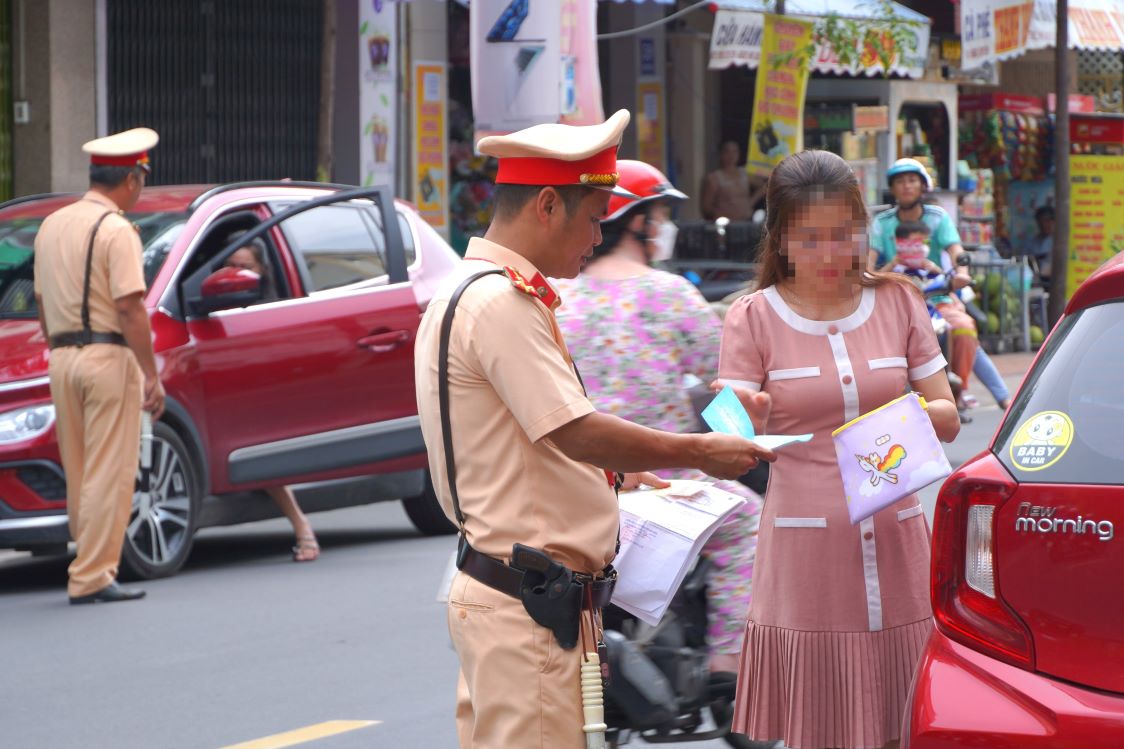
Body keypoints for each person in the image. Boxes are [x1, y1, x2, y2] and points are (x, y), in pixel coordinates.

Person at [414, 110, 777, 749]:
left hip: (526, 597)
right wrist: (700, 451)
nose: (595, 237)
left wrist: (626, 472)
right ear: (549, 205)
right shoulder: (501, 303)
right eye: (592, 218)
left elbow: (525, 444)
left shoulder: (476, 291)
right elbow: (574, 431)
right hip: (527, 605)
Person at [720, 150, 960, 749]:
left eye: (844, 234)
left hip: (898, 542)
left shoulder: (900, 301)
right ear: (779, 240)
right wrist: (744, 420)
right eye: (810, 239)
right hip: (808, 562)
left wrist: (907, 421)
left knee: (905, 726)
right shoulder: (752, 318)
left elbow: (949, 415)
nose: (830, 254)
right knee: (820, 730)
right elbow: (728, 434)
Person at [554, 160, 763, 673]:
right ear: (640, 223)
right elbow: (724, 383)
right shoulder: (669, 295)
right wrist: (748, 432)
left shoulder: (558, 301)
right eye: (663, 215)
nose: (667, 227)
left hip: (576, 488)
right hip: (665, 482)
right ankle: (728, 664)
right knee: (748, 522)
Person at [33, 127, 165, 604]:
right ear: (131, 179)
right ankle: (91, 575)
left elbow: (44, 306)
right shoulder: (115, 230)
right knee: (109, 469)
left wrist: (60, 350)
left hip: (62, 357)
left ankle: (84, 561)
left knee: (81, 469)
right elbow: (130, 308)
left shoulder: (52, 226)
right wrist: (151, 373)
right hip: (107, 356)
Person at [222, 241, 319, 562]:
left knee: (259, 447)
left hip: (279, 403)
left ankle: (302, 527)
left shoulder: (268, 309)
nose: (237, 273)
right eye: (231, 265)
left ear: (262, 270)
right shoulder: (217, 303)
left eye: (246, 267)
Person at [869, 158, 981, 408]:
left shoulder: (937, 217)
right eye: (900, 182)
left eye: (912, 180)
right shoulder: (881, 223)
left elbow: (956, 251)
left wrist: (961, 272)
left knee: (964, 327)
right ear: (892, 188)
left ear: (922, 186)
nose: (906, 186)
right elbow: (870, 263)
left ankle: (957, 391)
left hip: (934, 295)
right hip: (893, 299)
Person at [701, 140, 767, 221]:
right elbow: (706, 208)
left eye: (734, 152)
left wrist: (750, 202)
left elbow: (764, 186)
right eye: (727, 152)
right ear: (721, 154)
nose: (731, 156)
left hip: (746, 221)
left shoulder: (744, 173)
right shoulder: (713, 178)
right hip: (727, 224)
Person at [1025, 205, 1054, 285]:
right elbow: (1024, 263)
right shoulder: (1032, 242)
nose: (1044, 225)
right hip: (1035, 283)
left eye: (1047, 221)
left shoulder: (1059, 243)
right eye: (1041, 222)